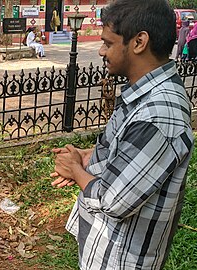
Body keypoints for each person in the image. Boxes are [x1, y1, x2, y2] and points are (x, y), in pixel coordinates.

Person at [50, 0, 194, 269]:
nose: (101, 51)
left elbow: (114, 201)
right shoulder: (142, 94)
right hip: (106, 248)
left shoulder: (159, 114)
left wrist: (75, 170)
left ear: (139, 42)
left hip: (121, 258)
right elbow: (126, 149)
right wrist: (86, 155)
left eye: (108, 43)